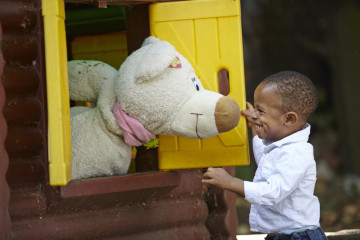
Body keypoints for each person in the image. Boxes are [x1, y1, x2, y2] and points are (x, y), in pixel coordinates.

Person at [202, 71, 328, 240]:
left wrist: (231, 182)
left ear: (289, 119)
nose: (255, 114)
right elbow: (264, 160)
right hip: (286, 235)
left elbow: (272, 192)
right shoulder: (280, 147)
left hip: (299, 236)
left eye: (260, 111)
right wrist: (256, 125)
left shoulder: (296, 153)